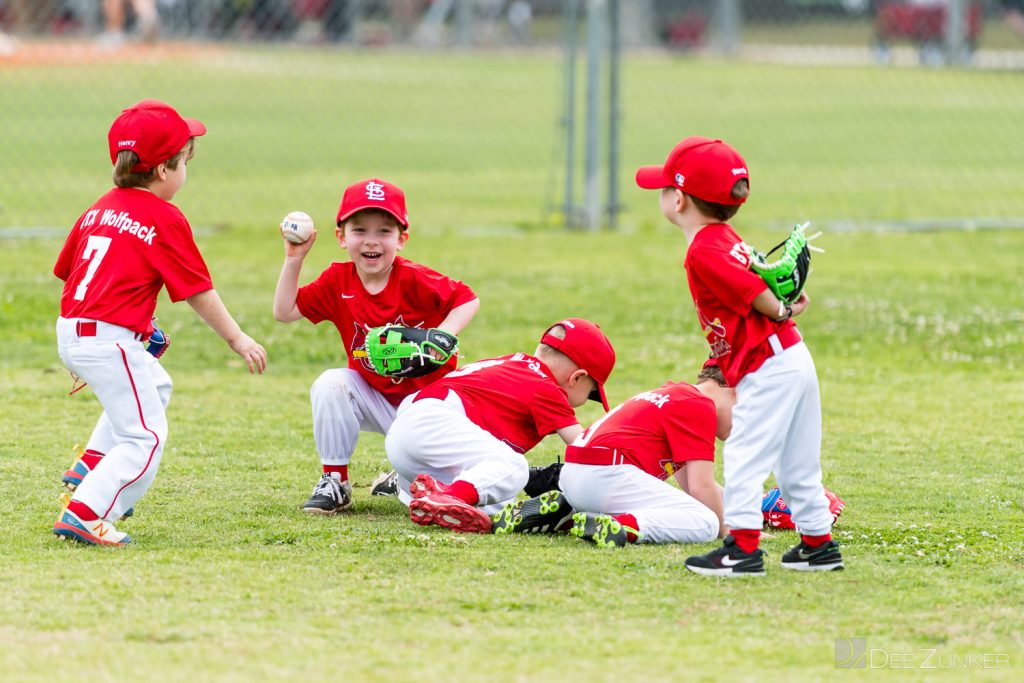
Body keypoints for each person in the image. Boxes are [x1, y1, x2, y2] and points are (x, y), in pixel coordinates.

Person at [53, 99, 267, 546]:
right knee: (145, 438)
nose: (187, 170)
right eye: (185, 161)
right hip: (107, 340)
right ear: (165, 172)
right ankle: (88, 512)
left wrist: (137, 324)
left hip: (75, 328)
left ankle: (92, 461)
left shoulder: (100, 207)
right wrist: (237, 337)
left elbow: (73, 272)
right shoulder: (164, 216)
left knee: (156, 384)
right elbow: (196, 291)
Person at [634, 136, 843, 575]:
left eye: (665, 187)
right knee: (797, 458)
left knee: (747, 451)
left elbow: (753, 292)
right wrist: (783, 307)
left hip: (768, 365)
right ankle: (817, 543)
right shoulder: (726, 236)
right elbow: (756, 286)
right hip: (791, 355)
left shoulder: (704, 248)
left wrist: (781, 307)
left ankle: (742, 548)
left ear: (678, 199)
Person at [273, 177, 479, 515]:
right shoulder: (337, 280)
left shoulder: (414, 278)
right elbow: (284, 311)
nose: (372, 241)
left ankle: (402, 475)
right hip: (375, 398)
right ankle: (335, 481)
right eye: (360, 230)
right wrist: (294, 258)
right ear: (341, 237)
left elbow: (467, 299)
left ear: (402, 238)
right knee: (331, 384)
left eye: (384, 231)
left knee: (438, 491)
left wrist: (443, 335)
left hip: (426, 407)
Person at [384, 318, 616, 533]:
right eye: (591, 393)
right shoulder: (546, 386)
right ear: (577, 378)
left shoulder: (512, 361)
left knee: (499, 497)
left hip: (405, 437)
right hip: (432, 423)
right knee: (514, 466)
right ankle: (448, 496)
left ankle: (430, 495)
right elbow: (584, 448)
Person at [493, 366, 731, 547]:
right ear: (733, 389)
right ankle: (621, 525)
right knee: (707, 523)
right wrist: (730, 532)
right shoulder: (700, 405)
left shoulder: (676, 395)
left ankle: (567, 514)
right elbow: (702, 487)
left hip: (578, 474)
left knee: (691, 510)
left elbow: (692, 486)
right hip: (607, 474)